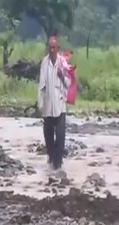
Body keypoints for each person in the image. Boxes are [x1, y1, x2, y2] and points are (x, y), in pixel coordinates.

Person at [38, 35, 70, 171]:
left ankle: (58, 162)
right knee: (48, 135)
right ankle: (52, 159)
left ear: (58, 48)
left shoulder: (63, 63)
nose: (52, 50)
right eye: (50, 47)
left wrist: (62, 76)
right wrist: (40, 103)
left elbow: (69, 84)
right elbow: (41, 85)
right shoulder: (44, 63)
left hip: (60, 105)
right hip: (48, 105)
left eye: (54, 48)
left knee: (61, 135)